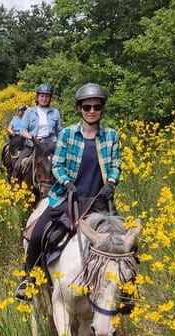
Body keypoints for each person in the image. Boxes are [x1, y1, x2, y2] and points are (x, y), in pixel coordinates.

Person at [15, 83, 121, 301]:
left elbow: (115, 165)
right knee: (37, 234)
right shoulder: (67, 134)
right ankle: (29, 279)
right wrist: (65, 182)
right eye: (87, 107)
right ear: (79, 109)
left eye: (96, 107)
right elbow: (57, 165)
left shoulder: (111, 136)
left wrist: (111, 181)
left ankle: (127, 292)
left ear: (102, 109)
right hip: (67, 197)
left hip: (99, 202)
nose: (92, 111)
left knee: (126, 243)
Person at [11, 84, 61, 178]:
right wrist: (32, 138)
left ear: (50, 98)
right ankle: (15, 187)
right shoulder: (29, 112)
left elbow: (59, 131)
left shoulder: (55, 112)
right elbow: (22, 130)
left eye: (47, 96)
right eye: (42, 96)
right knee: (18, 165)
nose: (44, 98)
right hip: (33, 145)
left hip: (50, 146)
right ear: (37, 97)